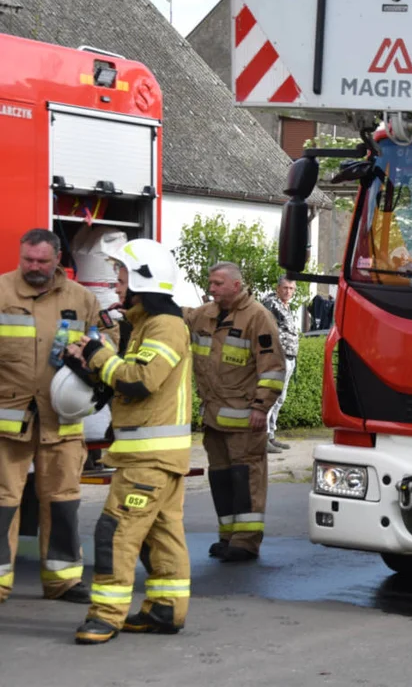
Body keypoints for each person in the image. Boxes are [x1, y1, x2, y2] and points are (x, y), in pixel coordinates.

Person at [66, 239, 192, 644]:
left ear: (143, 280)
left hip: (148, 459)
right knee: (161, 536)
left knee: (115, 533)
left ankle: (106, 616)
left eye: (121, 276)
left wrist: (98, 356)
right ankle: (164, 610)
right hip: (154, 456)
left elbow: (141, 381)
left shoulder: (165, 327)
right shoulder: (145, 326)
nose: (116, 284)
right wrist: (89, 365)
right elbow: (125, 382)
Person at [0, 229, 111, 606]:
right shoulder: (1, 292)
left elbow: (104, 352)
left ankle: (63, 581)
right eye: (27, 260)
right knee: (2, 502)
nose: (33, 267)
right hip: (8, 422)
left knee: (63, 501)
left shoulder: (82, 300)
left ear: (58, 258)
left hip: (61, 422)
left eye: (42, 261)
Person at [186, 263, 284, 562]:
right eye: (210, 283)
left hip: (245, 419)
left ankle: (246, 541)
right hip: (214, 418)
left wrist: (260, 407)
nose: (211, 289)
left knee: (246, 479)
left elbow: (273, 368)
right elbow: (180, 316)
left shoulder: (258, 318)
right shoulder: (206, 314)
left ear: (236, 286)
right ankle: (227, 536)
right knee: (221, 479)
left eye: (217, 284)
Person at [260, 277, 298, 453]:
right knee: (271, 397)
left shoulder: (287, 306)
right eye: (285, 288)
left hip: (289, 357)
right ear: (278, 288)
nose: (288, 291)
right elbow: (262, 327)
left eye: (291, 288)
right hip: (277, 358)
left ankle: (271, 435)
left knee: (279, 399)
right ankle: (262, 438)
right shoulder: (270, 303)